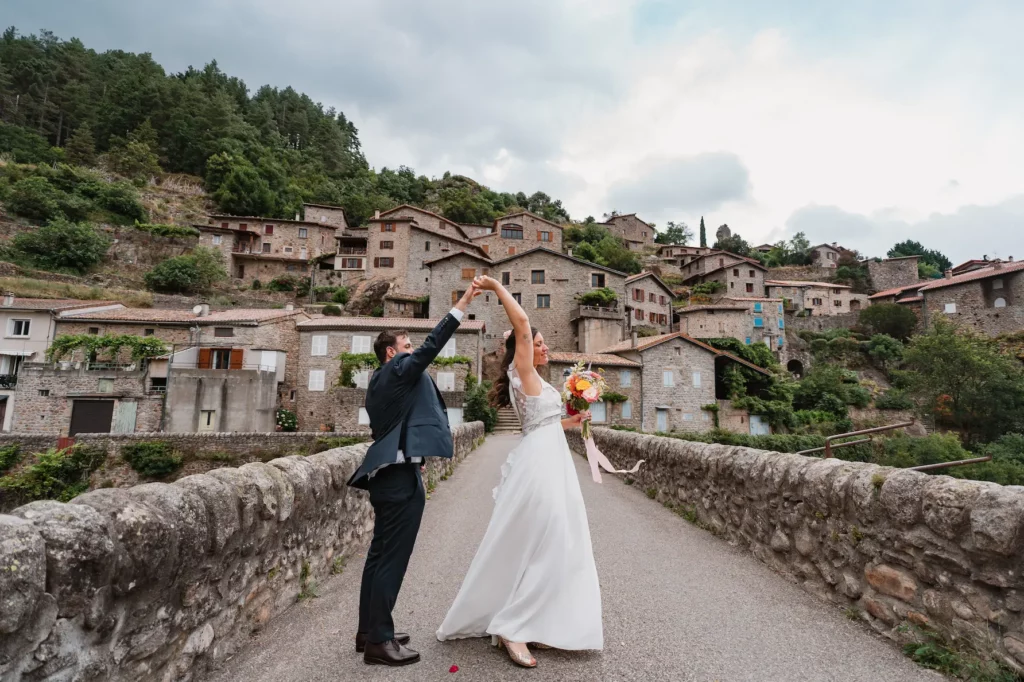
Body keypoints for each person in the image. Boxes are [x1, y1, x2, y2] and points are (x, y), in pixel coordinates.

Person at [436, 275, 603, 668]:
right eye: (538, 342)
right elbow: (523, 325)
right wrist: (495, 286)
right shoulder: (522, 371)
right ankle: (512, 625)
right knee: (547, 538)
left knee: (557, 540)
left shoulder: (540, 383)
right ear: (521, 349)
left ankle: (535, 619)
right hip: (539, 465)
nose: (543, 347)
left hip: (553, 456)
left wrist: (573, 420)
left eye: (542, 344)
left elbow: (544, 423)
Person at [348, 284, 482, 667]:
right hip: (399, 480)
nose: (412, 350)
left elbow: (401, 421)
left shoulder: (379, 379)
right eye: (406, 345)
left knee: (377, 557)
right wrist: (461, 305)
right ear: (392, 352)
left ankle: (369, 631)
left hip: (386, 473)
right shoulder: (399, 367)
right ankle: (381, 643)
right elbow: (431, 347)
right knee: (392, 559)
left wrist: (418, 450)